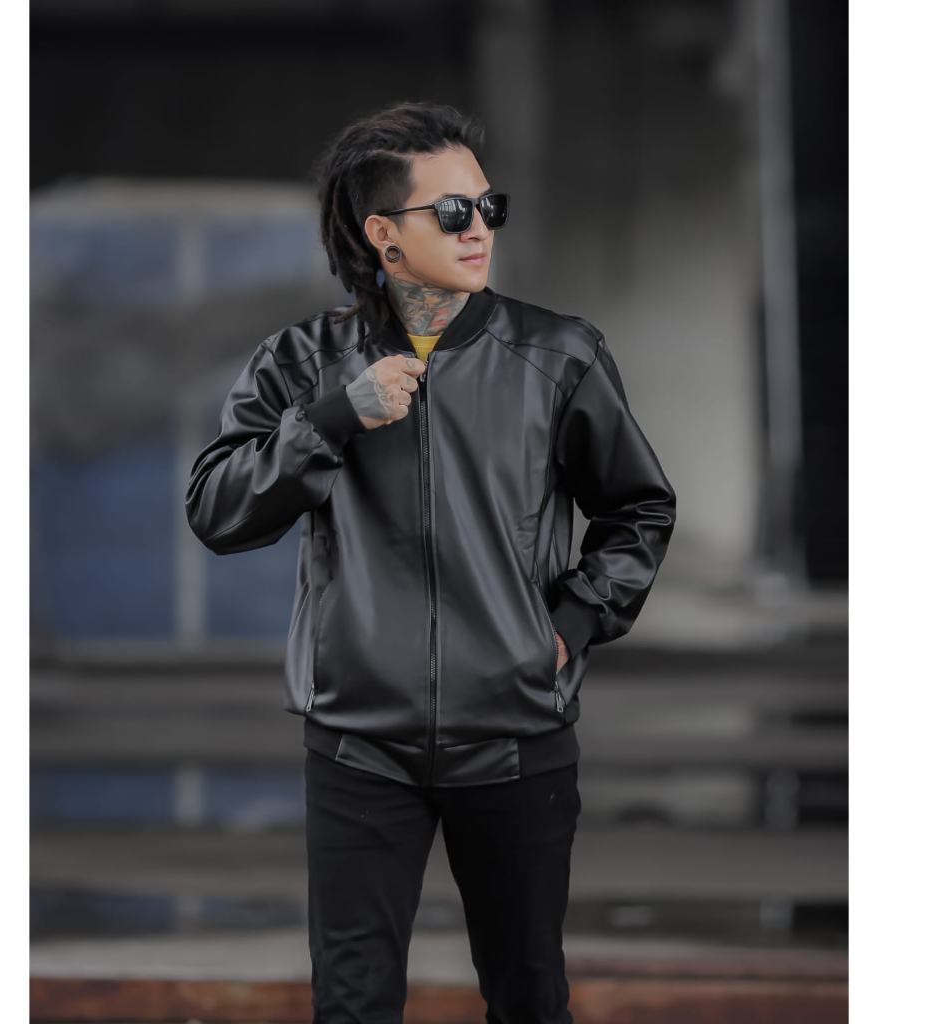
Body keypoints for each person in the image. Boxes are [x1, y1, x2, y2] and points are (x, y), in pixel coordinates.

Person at [185, 100, 676, 1024]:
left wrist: (569, 625)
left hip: (516, 738)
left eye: (490, 206)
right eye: (453, 212)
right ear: (385, 235)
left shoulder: (557, 355)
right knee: (353, 1006)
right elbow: (218, 511)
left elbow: (638, 507)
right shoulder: (302, 364)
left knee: (529, 998)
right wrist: (332, 418)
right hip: (359, 743)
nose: (480, 228)